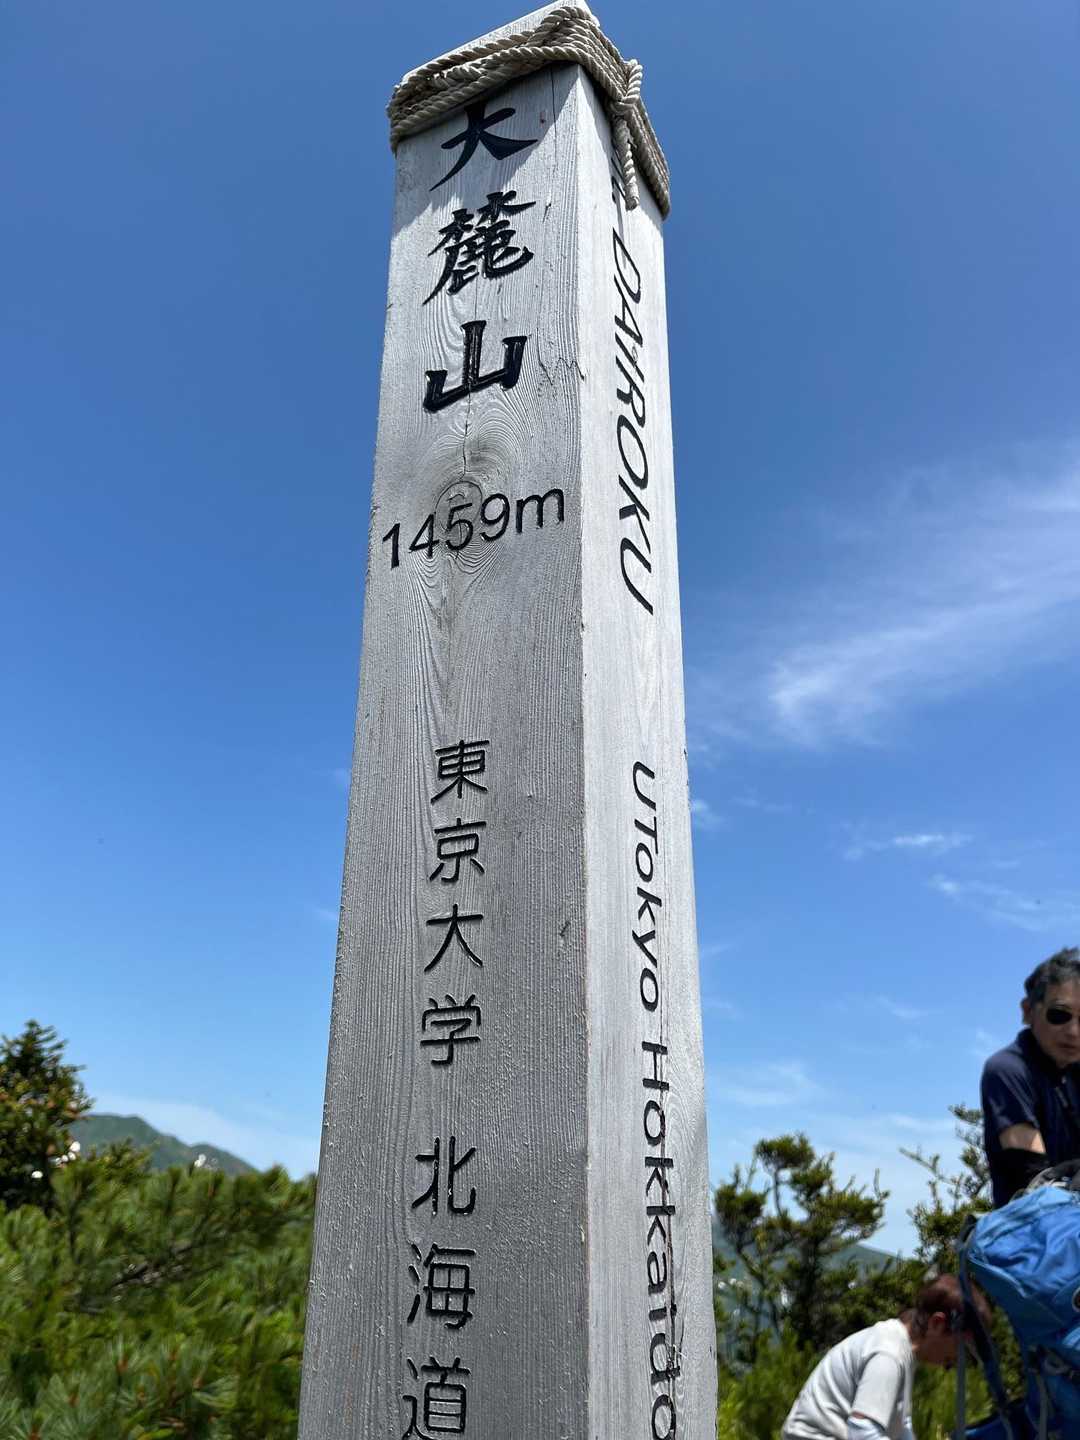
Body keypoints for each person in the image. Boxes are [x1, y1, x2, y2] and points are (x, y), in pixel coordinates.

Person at [781, 1274, 990, 1440]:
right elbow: (862, 1431)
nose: (958, 1358)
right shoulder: (889, 1354)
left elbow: (899, 1426)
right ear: (937, 1324)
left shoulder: (900, 1348)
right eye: (961, 1346)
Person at [980, 946, 1080, 1208]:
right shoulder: (1007, 1070)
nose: (1073, 1031)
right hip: (1038, 1226)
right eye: (1059, 1015)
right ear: (1028, 1011)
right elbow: (1034, 1180)